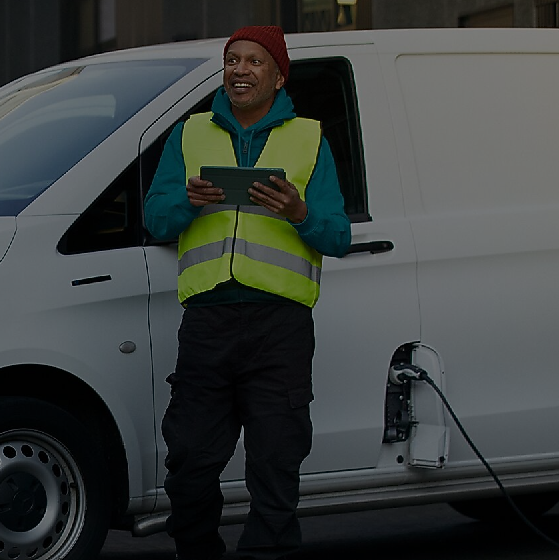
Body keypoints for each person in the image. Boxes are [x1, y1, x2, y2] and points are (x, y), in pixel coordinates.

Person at [143, 25, 351, 560]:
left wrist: (298, 212)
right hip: (208, 324)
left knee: (276, 459)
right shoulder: (190, 134)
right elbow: (156, 220)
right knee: (189, 455)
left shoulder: (308, 138)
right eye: (232, 60)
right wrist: (189, 203)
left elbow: (338, 234)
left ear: (278, 75)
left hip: (278, 327)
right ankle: (196, 550)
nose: (239, 70)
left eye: (253, 61)